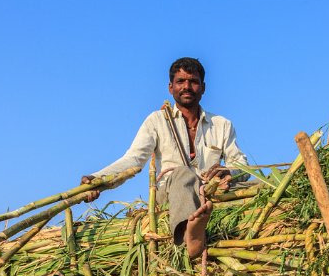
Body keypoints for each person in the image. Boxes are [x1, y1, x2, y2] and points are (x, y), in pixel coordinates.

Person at [80, 57, 248, 258]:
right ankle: (188, 235)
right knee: (183, 174)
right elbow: (133, 159)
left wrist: (228, 171)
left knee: (254, 186)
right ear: (171, 87)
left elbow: (241, 164)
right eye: (180, 81)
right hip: (169, 193)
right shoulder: (157, 121)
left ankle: (198, 220)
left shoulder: (221, 124)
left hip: (207, 194)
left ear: (203, 88)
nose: (187, 87)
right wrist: (99, 180)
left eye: (193, 82)